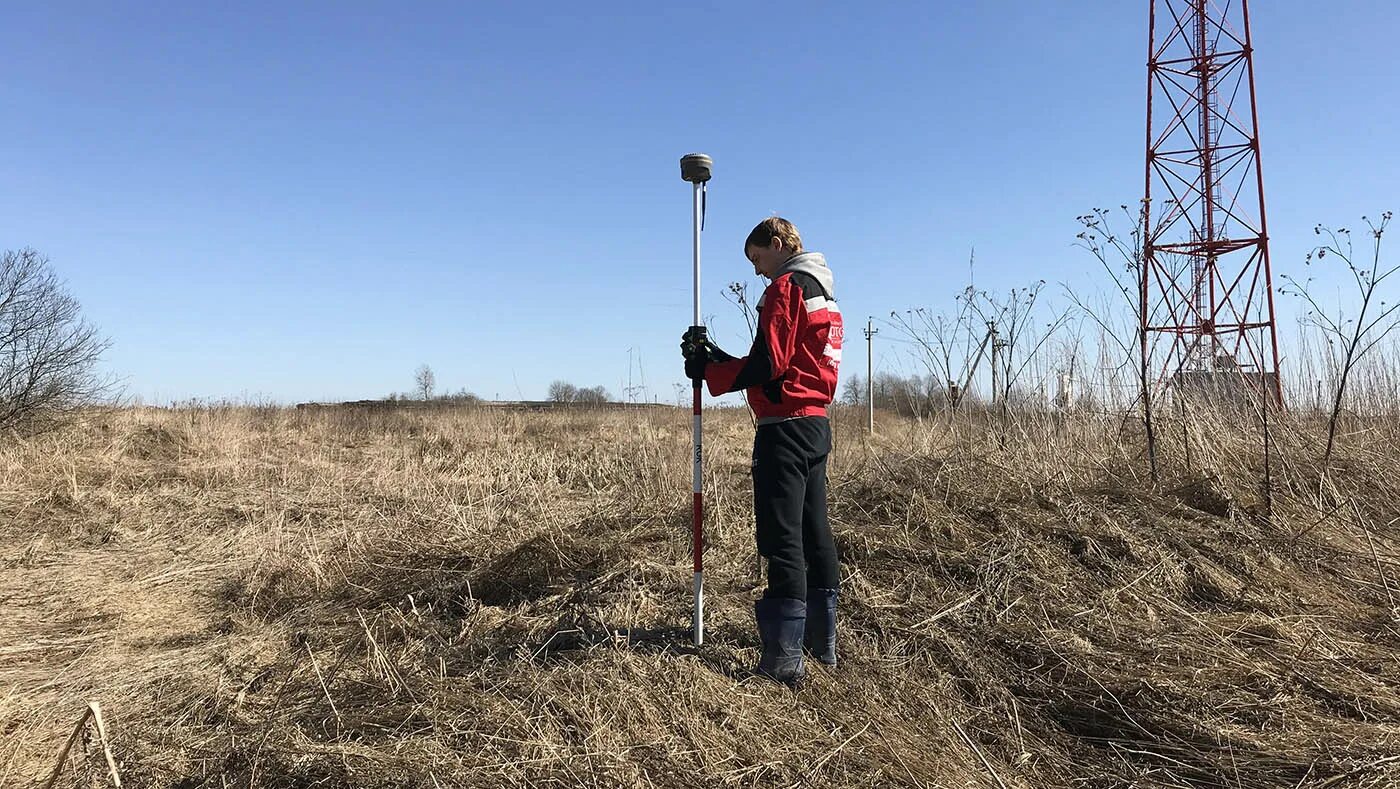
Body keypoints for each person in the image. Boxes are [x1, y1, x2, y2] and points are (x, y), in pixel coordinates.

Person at [681, 216, 843, 684]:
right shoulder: (823, 292)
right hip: (815, 425)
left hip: (784, 430)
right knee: (816, 531)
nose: (756, 272)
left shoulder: (785, 288)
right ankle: (821, 646)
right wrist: (718, 362)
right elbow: (786, 363)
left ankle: (782, 664)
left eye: (757, 258)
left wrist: (710, 372)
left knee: (781, 538)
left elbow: (770, 365)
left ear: (776, 245)